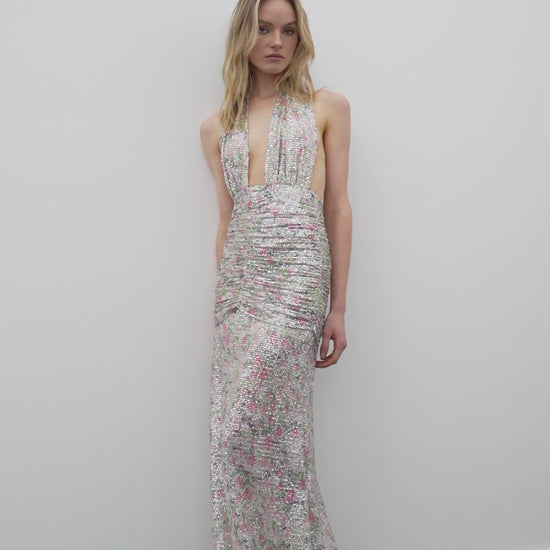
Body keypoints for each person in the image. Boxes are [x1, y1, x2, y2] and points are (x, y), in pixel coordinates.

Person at [200, 0, 351, 547]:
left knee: (274, 437)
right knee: (232, 438)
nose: (276, 42)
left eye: (288, 31)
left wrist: (337, 307)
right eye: (264, 29)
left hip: (297, 281)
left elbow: (337, 206)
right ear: (244, 35)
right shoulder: (217, 127)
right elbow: (227, 220)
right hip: (239, 291)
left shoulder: (325, 107)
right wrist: (225, 303)